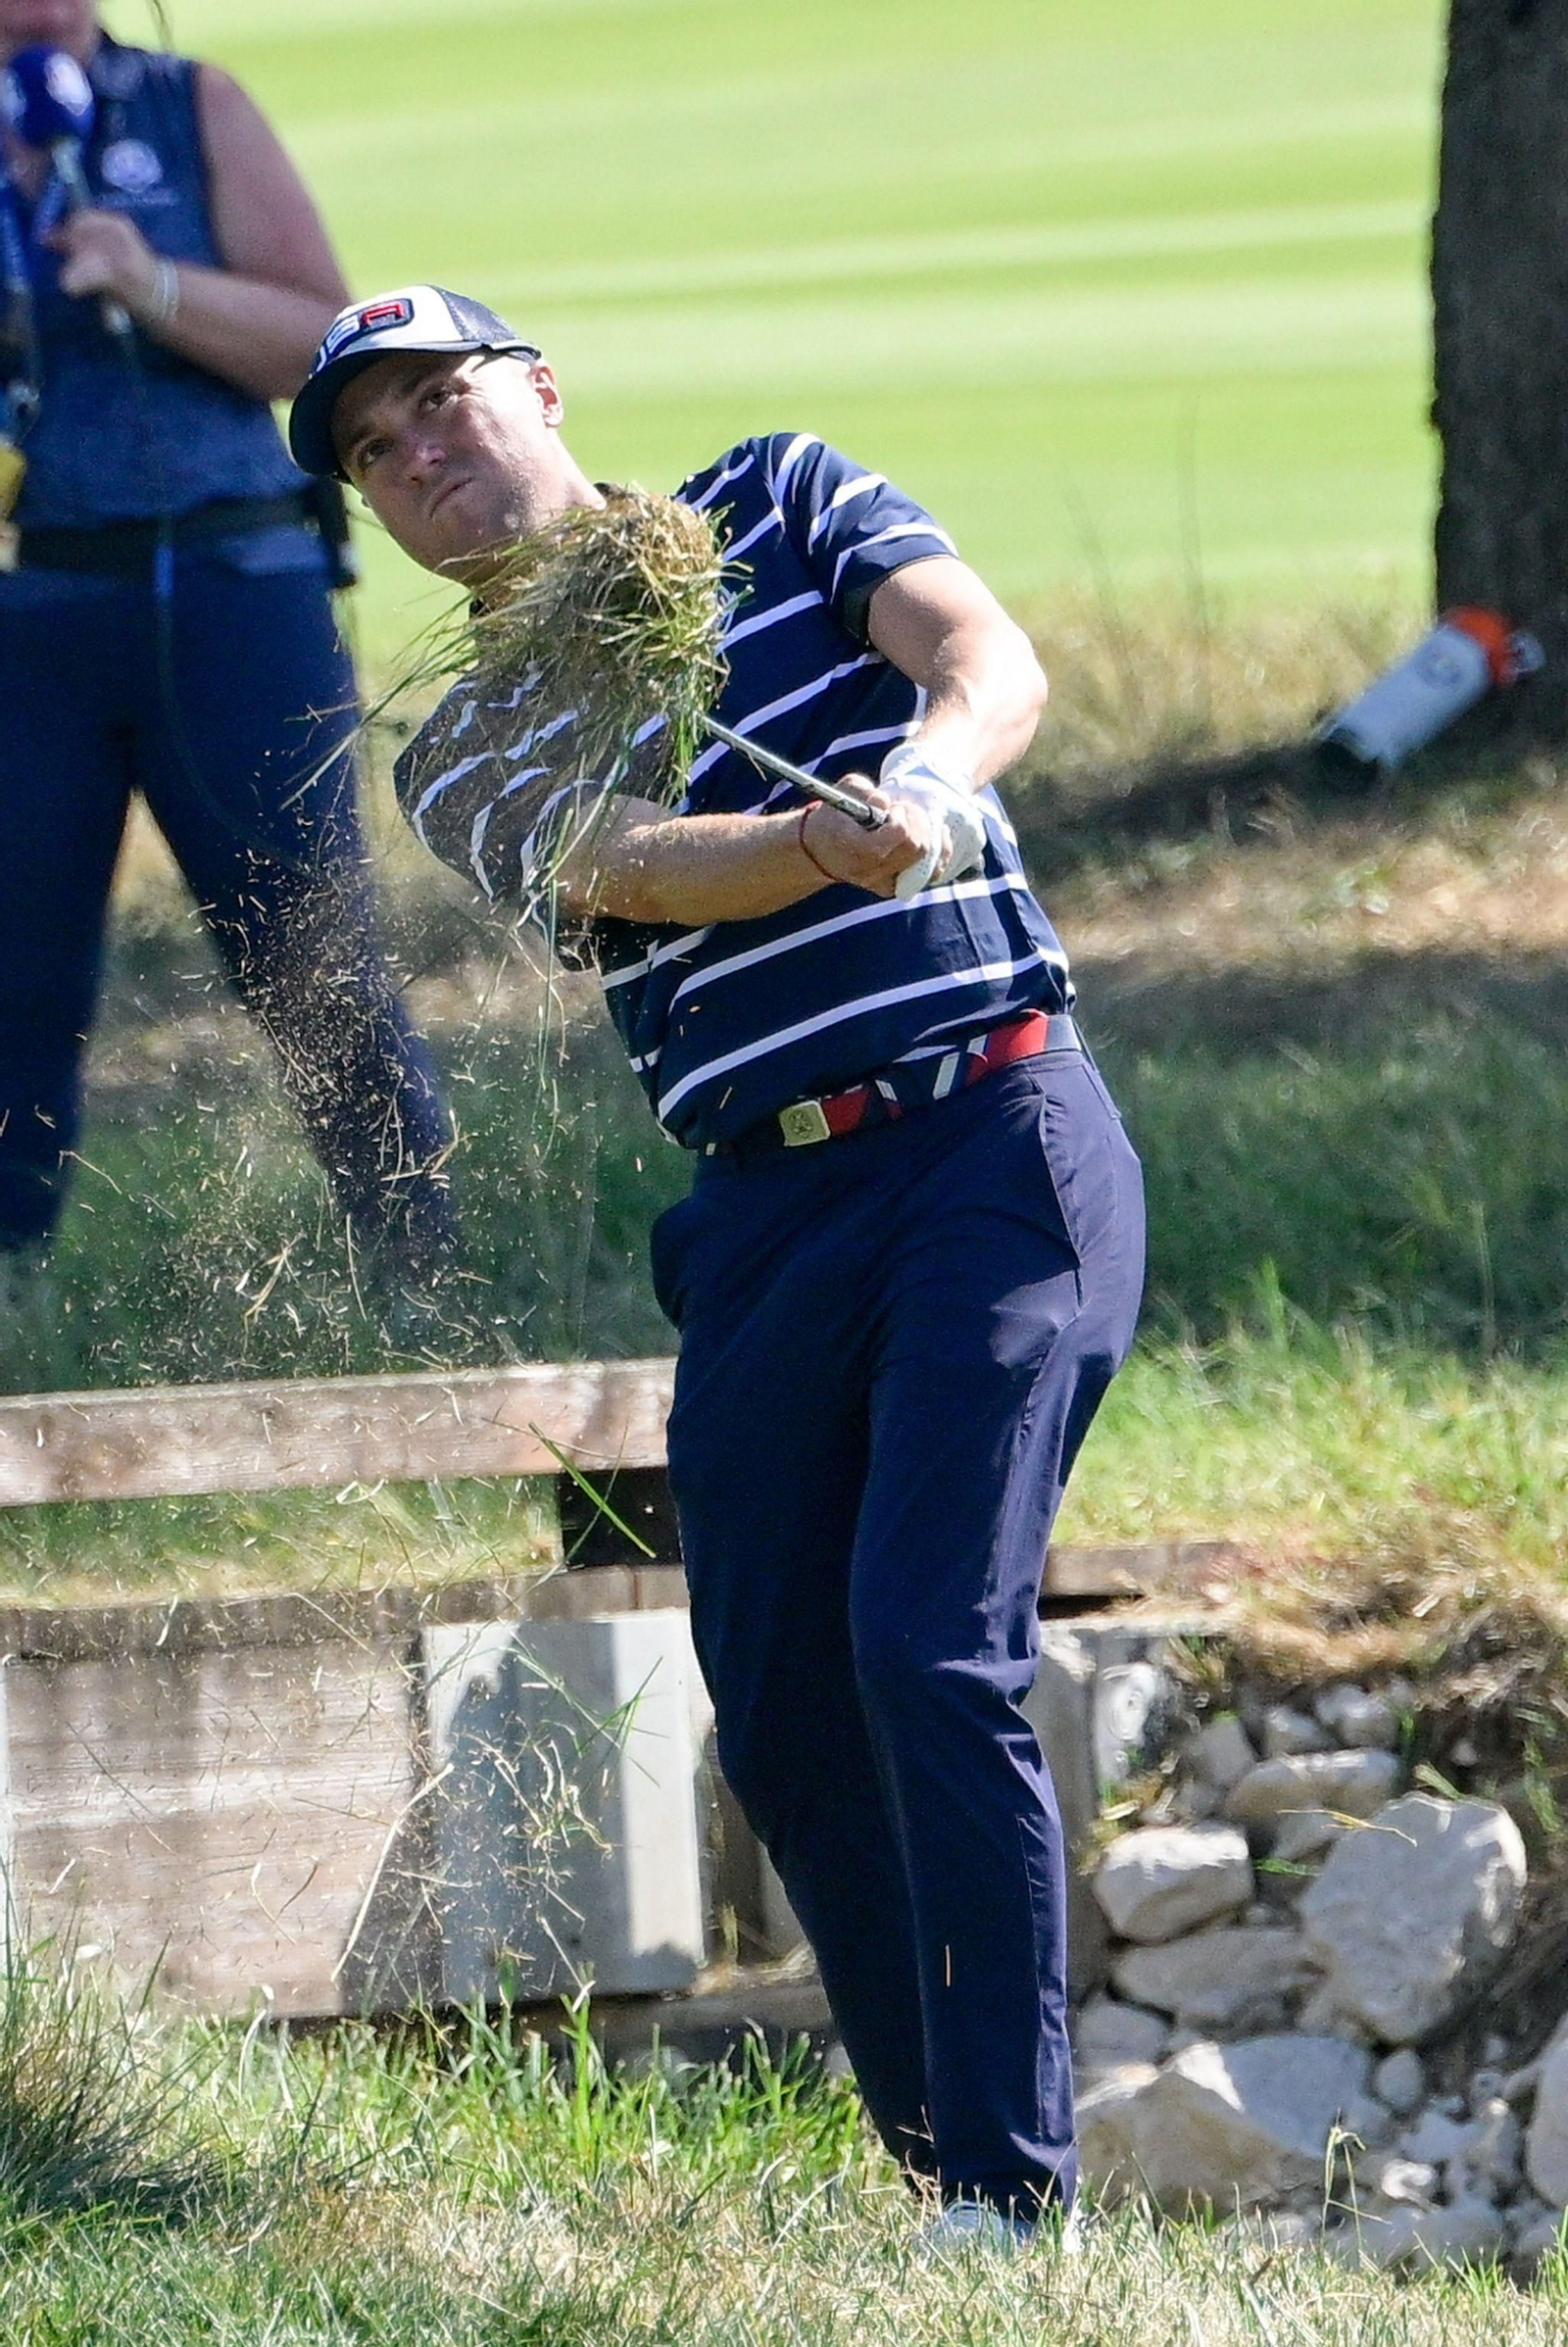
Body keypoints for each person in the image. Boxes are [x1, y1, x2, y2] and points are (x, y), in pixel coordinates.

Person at [288, 285, 1147, 2243]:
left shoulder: (777, 495)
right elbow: (626, 865)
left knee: (926, 1644)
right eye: (377, 455)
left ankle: (1012, 2202)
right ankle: (944, 2183)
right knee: (777, 1705)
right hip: (763, 1216)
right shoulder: (458, 743)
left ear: (539, 389)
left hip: (989, 1133)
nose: (421, 459)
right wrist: (813, 847)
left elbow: (983, 656)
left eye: (441, 404)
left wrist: (932, 782)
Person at [0, 0, 456, 1353]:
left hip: (232, 589)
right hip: (26, 602)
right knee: (14, 974)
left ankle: (422, 1283)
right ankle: (15, 1300)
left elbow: (325, 344)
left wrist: (152, 284)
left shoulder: (189, 105)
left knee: (311, 951)